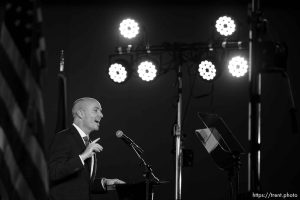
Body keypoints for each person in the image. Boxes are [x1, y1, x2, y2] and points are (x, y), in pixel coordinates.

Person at [48, 97, 125, 200]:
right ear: (80, 114)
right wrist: (83, 156)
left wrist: (105, 183)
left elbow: (81, 183)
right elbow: (54, 173)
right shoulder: (63, 137)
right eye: (96, 110)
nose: (101, 115)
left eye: (101, 111)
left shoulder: (87, 142)